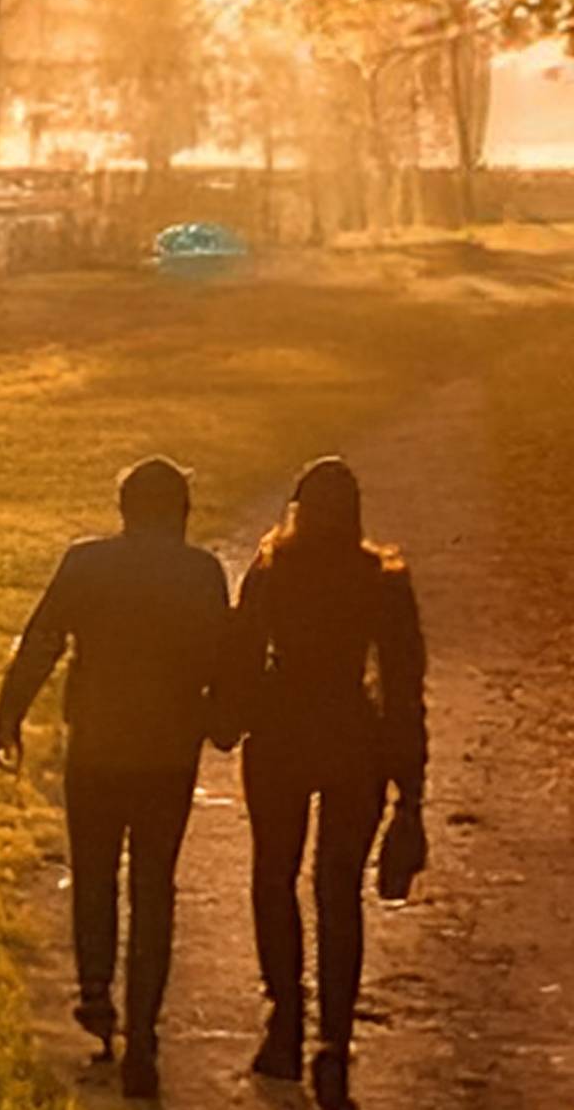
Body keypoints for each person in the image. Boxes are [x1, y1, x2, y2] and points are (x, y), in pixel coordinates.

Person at [0, 458, 237, 1096]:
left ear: (123, 509)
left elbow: (42, 640)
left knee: (94, 874)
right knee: (154, 886)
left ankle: (97, 996)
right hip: (168, 755)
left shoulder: (86, 563)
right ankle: (145, 1032)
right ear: (179, 513)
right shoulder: (200, 573)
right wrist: (224, 721)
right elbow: (223, 659)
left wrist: (9, 715)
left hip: (97, 747)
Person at [232, 457, 425, 1108]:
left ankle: (284, 1015)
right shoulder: (381, 580)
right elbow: (403, 690)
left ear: (298, 508)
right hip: (352, 737)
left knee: (273, 876)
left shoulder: (270, 569)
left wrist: (228, 717)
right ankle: (333, 1047)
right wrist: (410, 794)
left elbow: (240, 651)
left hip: (281, 733)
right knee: (337, 893)